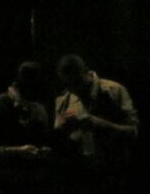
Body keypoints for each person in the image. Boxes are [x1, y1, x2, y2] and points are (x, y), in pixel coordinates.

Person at [54, 54, 138, 194]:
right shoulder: (64, 100)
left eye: (77, 82)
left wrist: (99, 124)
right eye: (68, 85)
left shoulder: (114, 91)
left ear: (86, 71)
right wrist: (62, 129)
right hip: (82, 179)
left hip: (115, 176)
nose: (74, 89)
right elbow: (60, 147)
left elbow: (133, 132)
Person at [0, 61, 55, 194]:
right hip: (2, 187)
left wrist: (45, 152)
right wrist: (17, 151)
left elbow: (43, 141)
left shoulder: (38, 109)